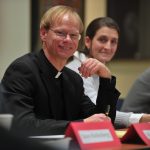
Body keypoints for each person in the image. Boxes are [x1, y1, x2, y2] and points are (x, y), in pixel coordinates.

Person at [0, 5, 120, 136]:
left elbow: (101, 120)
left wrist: (105, 77)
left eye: (74, 35)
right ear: (43, 33)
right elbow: (22, 124)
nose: (68, 40)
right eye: (61, 33)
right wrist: (82, 124)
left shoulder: (74, 79)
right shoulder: (22, 70)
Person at [66, 17, 150, 128]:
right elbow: (99, 114)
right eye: (102, 40)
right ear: (87, 41)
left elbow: (107, 113)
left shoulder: (102, 69)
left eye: (113, 42)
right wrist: (143, 118)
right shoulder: (75, 69)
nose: (108, 47)